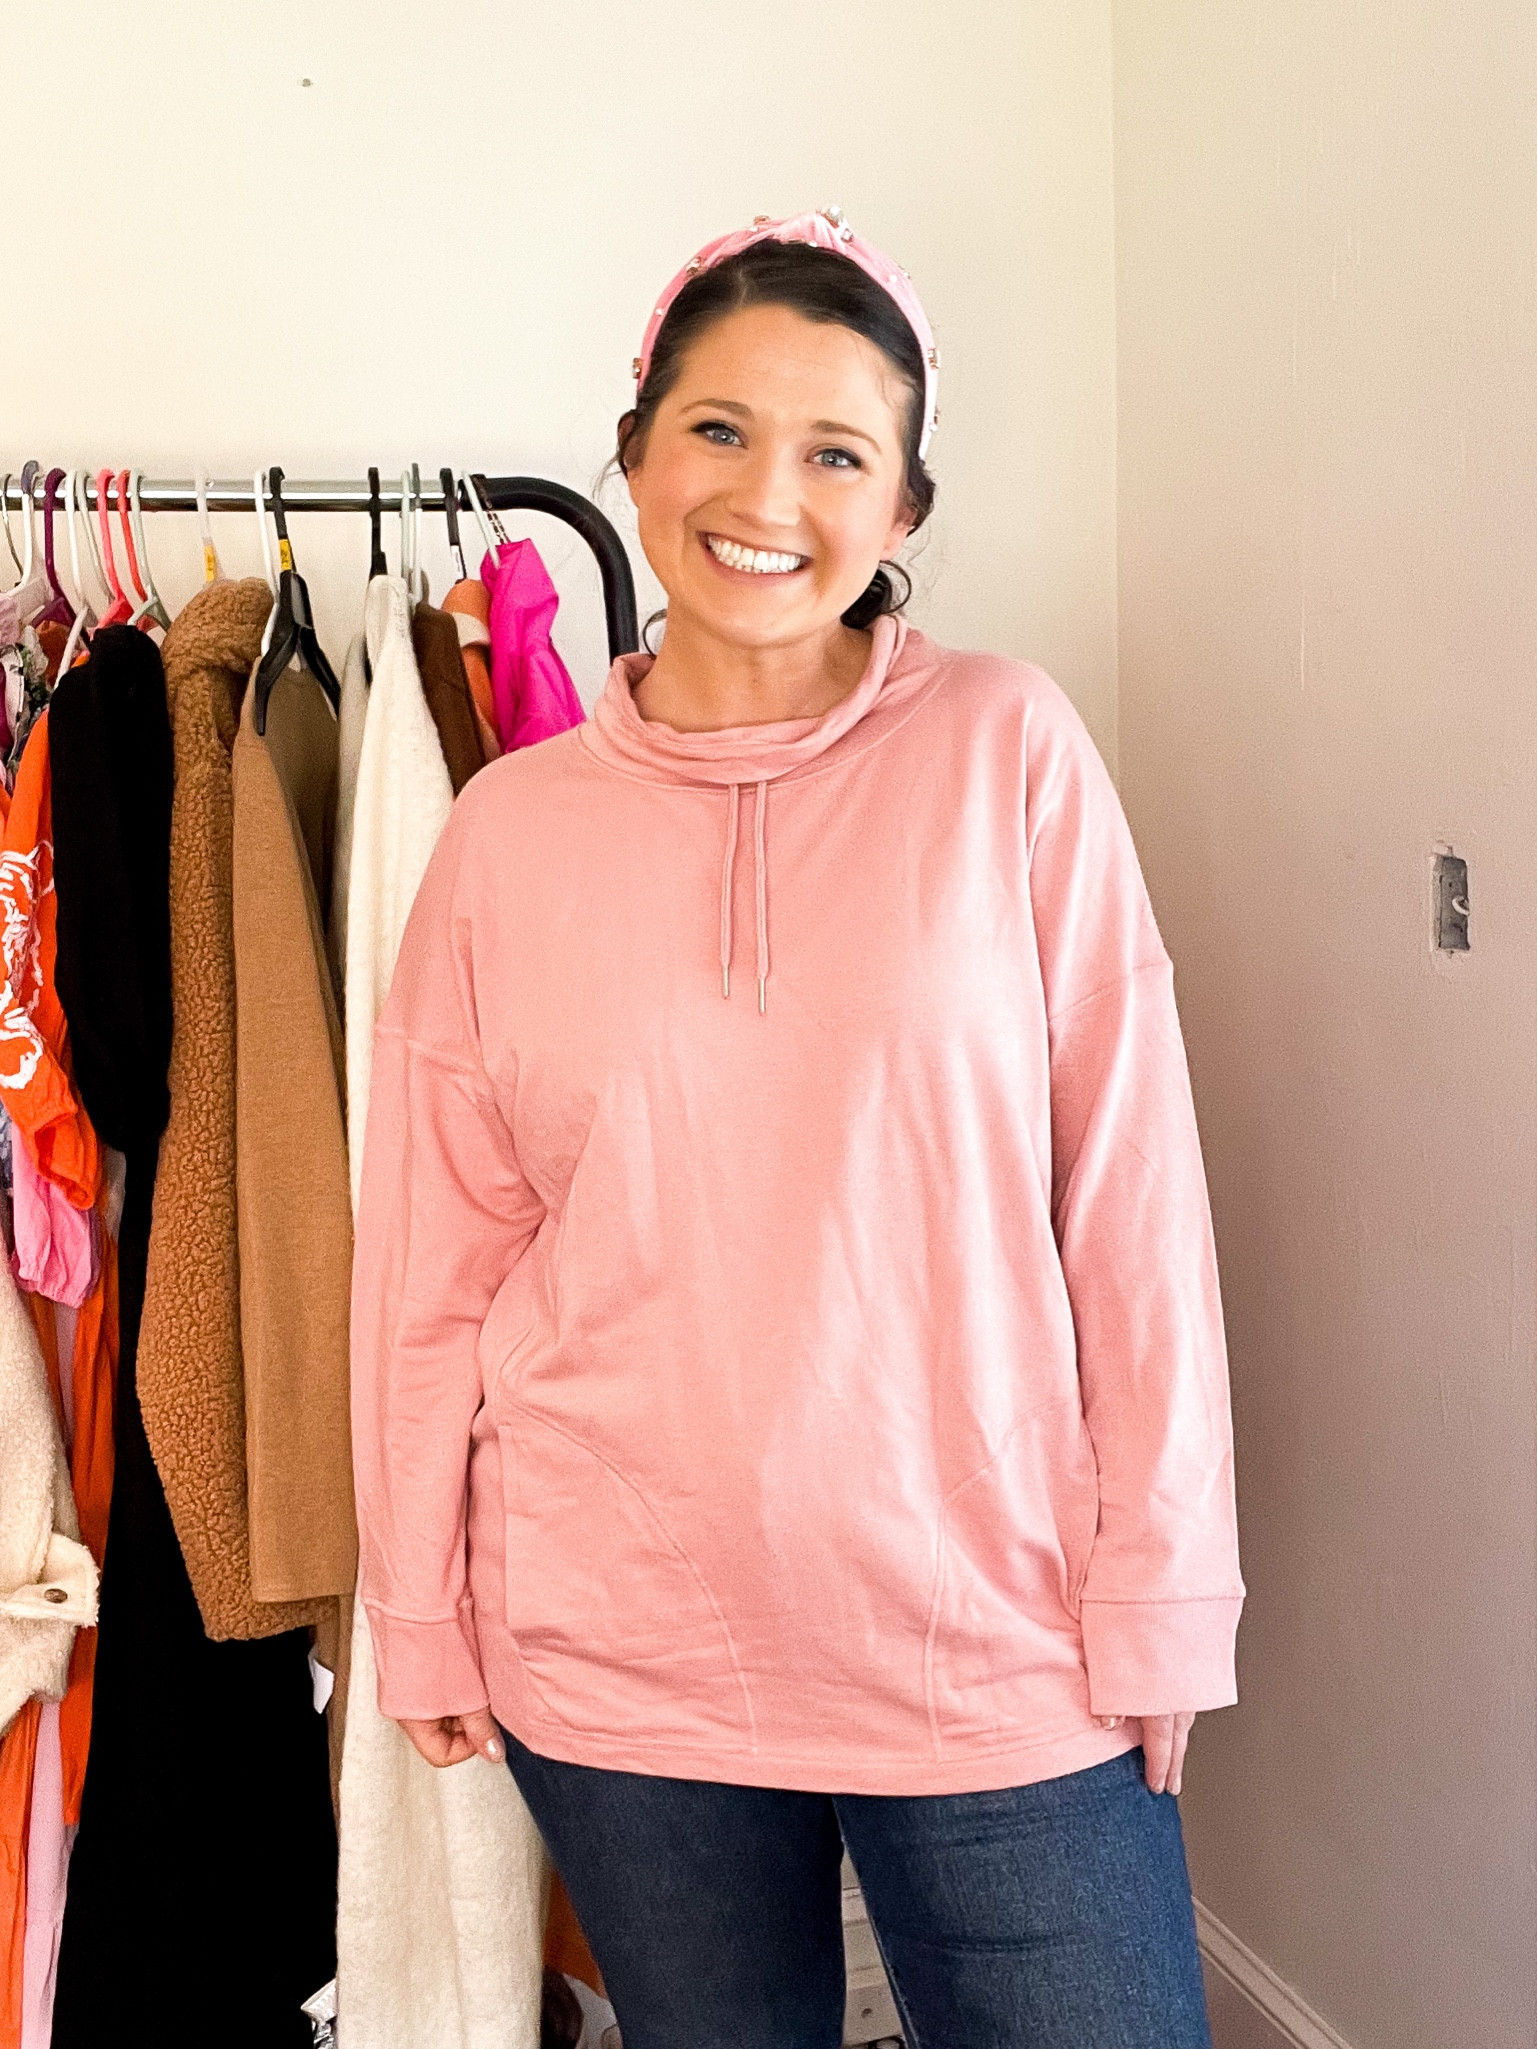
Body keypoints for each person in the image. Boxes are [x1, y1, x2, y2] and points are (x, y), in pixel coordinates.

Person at [351, 207, 1244, 2049]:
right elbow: (431, 1258)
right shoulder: (507, 832)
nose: (768, 492)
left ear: (903, 510)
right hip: (615, 1640)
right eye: (718, 429)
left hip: (990, 1629)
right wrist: (417, 1600)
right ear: (633, 450)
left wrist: (1164, 1583)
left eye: (837, 451)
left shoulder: (1010, 749)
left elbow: (1130, 1203)